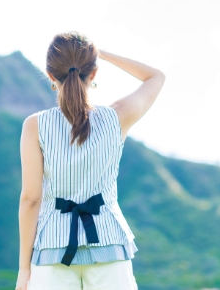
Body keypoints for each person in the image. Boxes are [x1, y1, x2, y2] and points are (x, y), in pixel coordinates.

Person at [16, 32, 165, 290]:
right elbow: (156, 77)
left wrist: (24, 269)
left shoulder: (35, 125)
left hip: (53, 248)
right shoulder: (117, 117)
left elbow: (31, 199)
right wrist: (101, 53)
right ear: (93, 74)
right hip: (108, 243)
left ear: (51, 76)